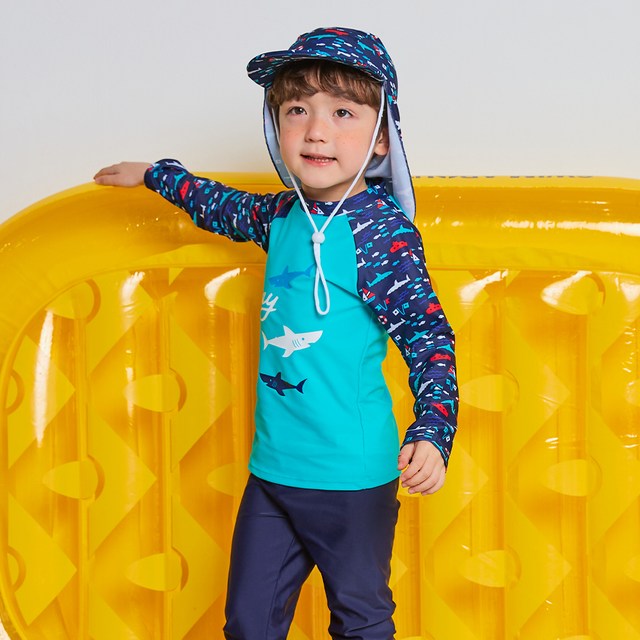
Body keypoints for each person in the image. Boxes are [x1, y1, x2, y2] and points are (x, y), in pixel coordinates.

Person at [95, 26, 458, 640]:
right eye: (296, 110)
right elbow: (219, 204)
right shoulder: (282, 214)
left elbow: (429, 338)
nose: (316, 130)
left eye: (342, 112)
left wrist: (433, 431)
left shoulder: (382, 235)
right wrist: (157, 174)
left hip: (350, 477)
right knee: (250, 623)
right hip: (273, 472)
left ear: (380, 139)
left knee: (362, 621)